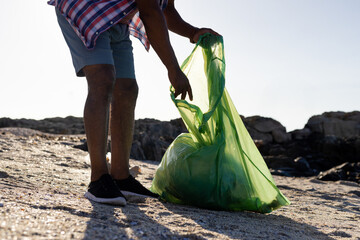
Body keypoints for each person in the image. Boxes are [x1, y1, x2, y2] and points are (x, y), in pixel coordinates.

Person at [49, 0, 219, 206]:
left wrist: (193, 32)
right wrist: (173, 69)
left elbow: (166, 9)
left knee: (127, 89)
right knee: (102, 78)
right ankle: (98, 178)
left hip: (117, 23)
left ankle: (121, 176)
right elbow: (150, 12)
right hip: (85, 9)